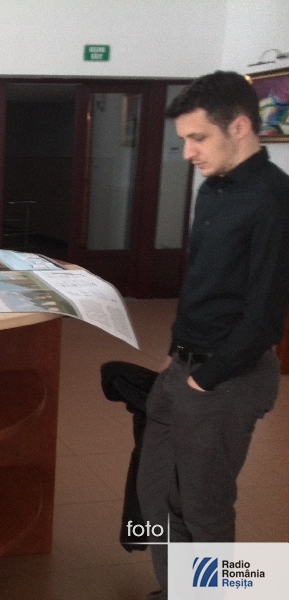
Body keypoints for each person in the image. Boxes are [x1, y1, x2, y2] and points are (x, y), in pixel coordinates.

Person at [137, 71, 289, 599]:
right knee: (156, 495)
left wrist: (204, 379)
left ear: (240, 127)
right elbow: (204, 283)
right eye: (184, 140)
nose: (188, 153)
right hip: (183, 365)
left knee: (203, 508)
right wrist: (173, 353)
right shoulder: (212, 189)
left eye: (198, 138)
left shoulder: (274, 200)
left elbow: (264, 316)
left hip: (226, 379)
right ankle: (177, 588)